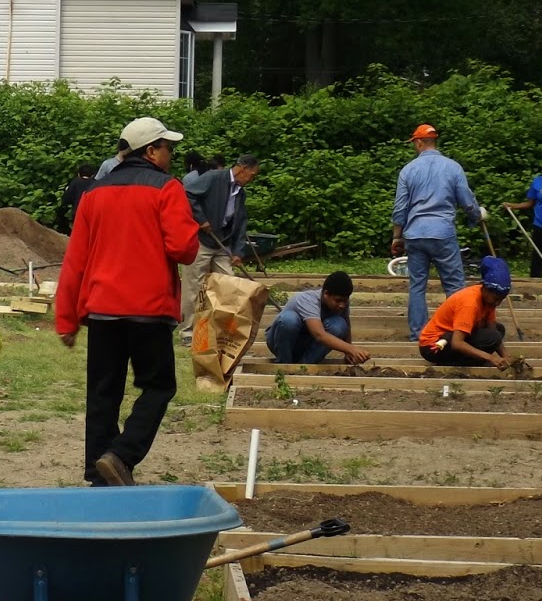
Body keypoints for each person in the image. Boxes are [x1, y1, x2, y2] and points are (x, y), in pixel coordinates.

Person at [55, 117, 198, 488]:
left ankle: (98, 473)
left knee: (103, 393)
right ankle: (120, 456)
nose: (172, 153)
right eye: (168, 147)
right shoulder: (168, 188)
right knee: (159, 387)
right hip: (149, 310)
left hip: (103, 310)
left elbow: (76, 260)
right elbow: (183, 249)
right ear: (151, 151)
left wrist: (66, 319)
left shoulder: (94, 193)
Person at [390, 124, 485, 342]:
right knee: (454, 286)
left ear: (419, 142)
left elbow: (400, 207)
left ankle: (419, 335)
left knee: (417, 286)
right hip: (442, 233)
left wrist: (397, 236)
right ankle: (459, 332)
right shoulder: (452, 168)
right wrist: (476, 216)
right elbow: (466, 201)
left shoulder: (409, 170)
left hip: (415, 234)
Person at [179, 154, 261, 339]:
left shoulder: (241, 192)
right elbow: (187, 194)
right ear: (241, 168)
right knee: (194, 285)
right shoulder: (213, 177)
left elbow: (240, 222)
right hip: (201, 241)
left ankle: (222, 329)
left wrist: (238, 251)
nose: (252, 179)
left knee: (229, 283)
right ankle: (188, 331)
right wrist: (200, 219)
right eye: (252, 174)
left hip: (222, 241)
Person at [418, 256, 512, 367]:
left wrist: (506, 358)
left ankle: (472, 359)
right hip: (434, 346)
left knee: (498, 330)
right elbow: (457, 343)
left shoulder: (489, 301)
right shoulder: (470, 304)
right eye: (496, 299)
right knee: (493, 336)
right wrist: (490, 358)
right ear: (485, 289)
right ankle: (456, 362)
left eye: (501, 299)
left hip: (450, 337)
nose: (498, 303)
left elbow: (492, 329)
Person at [263, 272, 370, 365]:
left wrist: (348, 352)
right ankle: (284, 364)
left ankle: (305, 365)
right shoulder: (307, 300)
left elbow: (346, 323)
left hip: (306, 344)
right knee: (289, 319)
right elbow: (319, 335)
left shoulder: (341, 303)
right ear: (326, 294)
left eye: (345, 301)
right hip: (282, 341)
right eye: (338, 300)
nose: (342, 305)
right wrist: (351, 349)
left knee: (339, 324)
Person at [61, 163, 97, 227]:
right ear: (92, 175)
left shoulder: (75, 182)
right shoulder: (96, 184)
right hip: (94, 214)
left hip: (78, 212)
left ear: (78, 174)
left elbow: (66, 199)